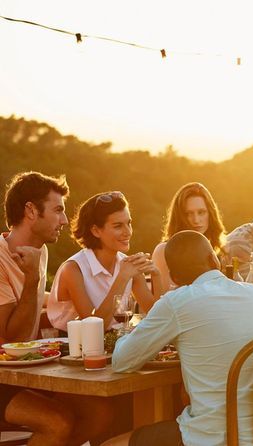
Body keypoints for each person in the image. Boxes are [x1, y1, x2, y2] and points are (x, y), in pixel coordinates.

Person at [104, 230, 253, 446]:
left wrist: (124, 334)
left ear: (173, 278)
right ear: (214, 260)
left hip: (213, 438)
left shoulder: (178, 302)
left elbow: (122, 361)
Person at [0, 171, 113, 446]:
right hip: (3, 375)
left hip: (20, 372)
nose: (64, 220)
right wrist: (33, 281)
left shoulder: (39, 253)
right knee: (56, 422)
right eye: (58, 210)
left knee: (100, 413)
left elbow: (33, 306)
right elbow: (12, 340)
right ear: (30, 210)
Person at [47, 191, 164, 331]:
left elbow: (157, 318)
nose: (128, 232)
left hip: (113, 343)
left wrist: (156, 275)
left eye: (129, 223)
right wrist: (122, 277)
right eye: (118, 226)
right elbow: (94, 328)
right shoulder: (73, 269)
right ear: (96, 231)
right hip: (69, 346)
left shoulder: (128, 265)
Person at [152, 182, 226, 291]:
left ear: (211, 213)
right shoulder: (163, 251)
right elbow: (162, 300)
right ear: (179, 217)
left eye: (201, 212)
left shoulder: (218, 249)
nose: (196, 220)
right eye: (188, 214)